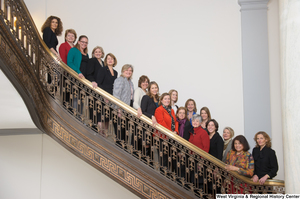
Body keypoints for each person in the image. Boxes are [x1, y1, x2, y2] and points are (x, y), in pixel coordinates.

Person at [113, 64, 134, 141]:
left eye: (130, 70)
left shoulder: (130, 82)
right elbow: (116, 95)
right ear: (123, 70)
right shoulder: (120, 80)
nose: (129, 72)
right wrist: (119, 109)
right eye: (127, 70)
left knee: (126, 133)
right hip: (120, 110)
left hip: (128, 110)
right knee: (120, 133)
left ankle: (123, 150)